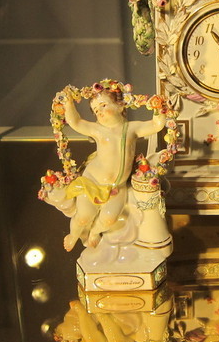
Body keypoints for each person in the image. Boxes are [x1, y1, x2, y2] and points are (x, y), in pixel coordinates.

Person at [61, 87, 165, 252]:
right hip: (93, 182)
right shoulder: (98, 130)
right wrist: (68, 104)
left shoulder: (131, 129)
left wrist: (159, 108)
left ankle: (95, 231)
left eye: (103, 105)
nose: (99, 112)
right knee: (83, 217)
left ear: (120, 105)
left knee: (109, 219)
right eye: (96, 110)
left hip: (117, 187)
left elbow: (156, 125)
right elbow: (76, 122)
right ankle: (73, 235)